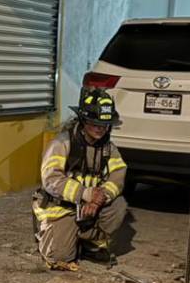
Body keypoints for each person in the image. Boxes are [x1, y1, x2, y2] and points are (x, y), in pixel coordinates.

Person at [33, 88, 128, 271]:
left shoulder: (108, 148)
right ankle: (48, 232)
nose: (100, 128)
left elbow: (118, 175)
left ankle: (91, 243)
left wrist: (101, 197)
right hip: (61, 207)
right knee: (60, 258)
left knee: (118, 206)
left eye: (104, 124)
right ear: (83, 120)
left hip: (90, 206)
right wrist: (85, 194)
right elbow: (51, 179)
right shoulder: (61, 144)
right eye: (95, 123)